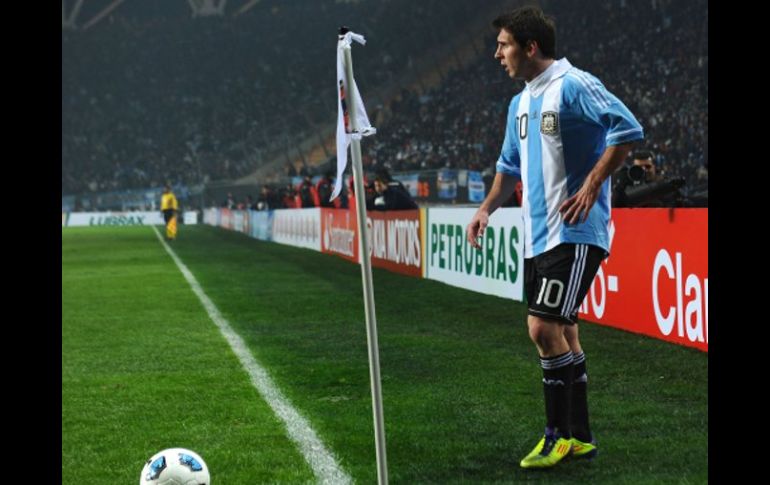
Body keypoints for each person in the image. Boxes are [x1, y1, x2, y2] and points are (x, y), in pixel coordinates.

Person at [465, 6, 643, 469]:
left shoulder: (574, 84)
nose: (497, 53)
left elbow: (626, 130)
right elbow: (507, 170)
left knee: (542, 328)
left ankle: (556, 436)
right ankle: (580, 437)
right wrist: (485, 209)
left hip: (576, 229)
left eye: (504, 44)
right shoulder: (519, 103)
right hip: (537, 237)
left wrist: (591, 185)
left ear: (530, 47)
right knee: (563, 331)